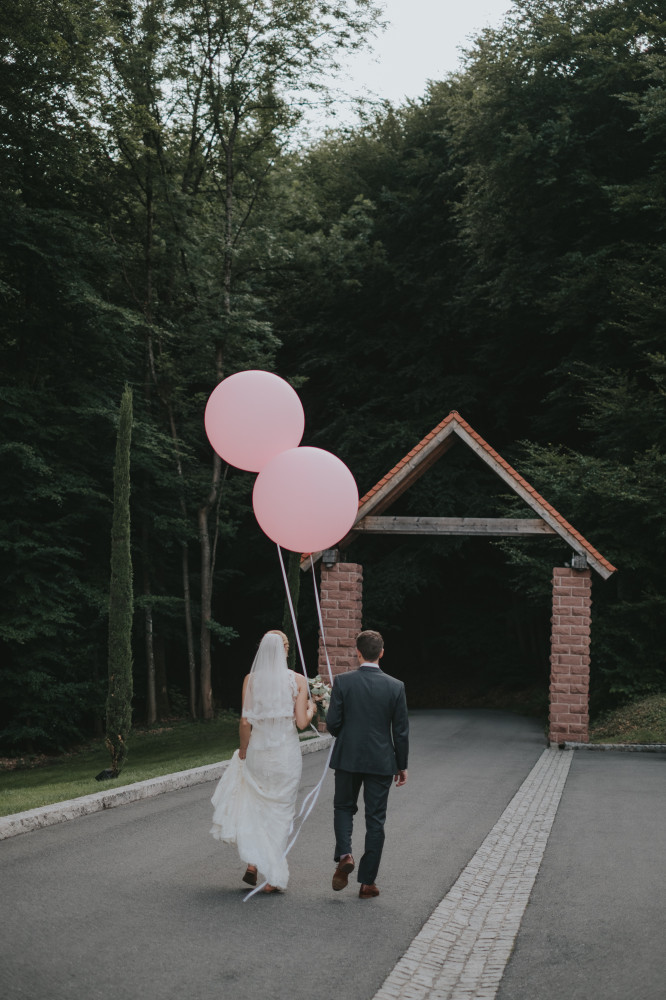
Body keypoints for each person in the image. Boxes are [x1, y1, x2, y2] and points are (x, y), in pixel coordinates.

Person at [210, 630, 316, 893]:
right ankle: (270, 876)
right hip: (285, 755)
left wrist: (244, 749)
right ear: (285, 650)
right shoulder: (298, 680)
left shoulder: (251, 680)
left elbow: (245, 721)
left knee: (256, 806)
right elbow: (302, 723)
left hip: (259, 750)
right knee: (280, 811)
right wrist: (313, 708)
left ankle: (253, 863)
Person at [325, 629, 409, 899]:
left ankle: (345, 854)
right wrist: (402, 765)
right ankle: (367, 883)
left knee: (343, 807)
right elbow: (401, 731)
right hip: (381, 760)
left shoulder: (343, 682)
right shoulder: (396, 686)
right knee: (375, 820)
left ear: (357, 652)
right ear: (382, 652)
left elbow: (333, 724)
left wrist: (347, 736)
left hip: (348, 757)